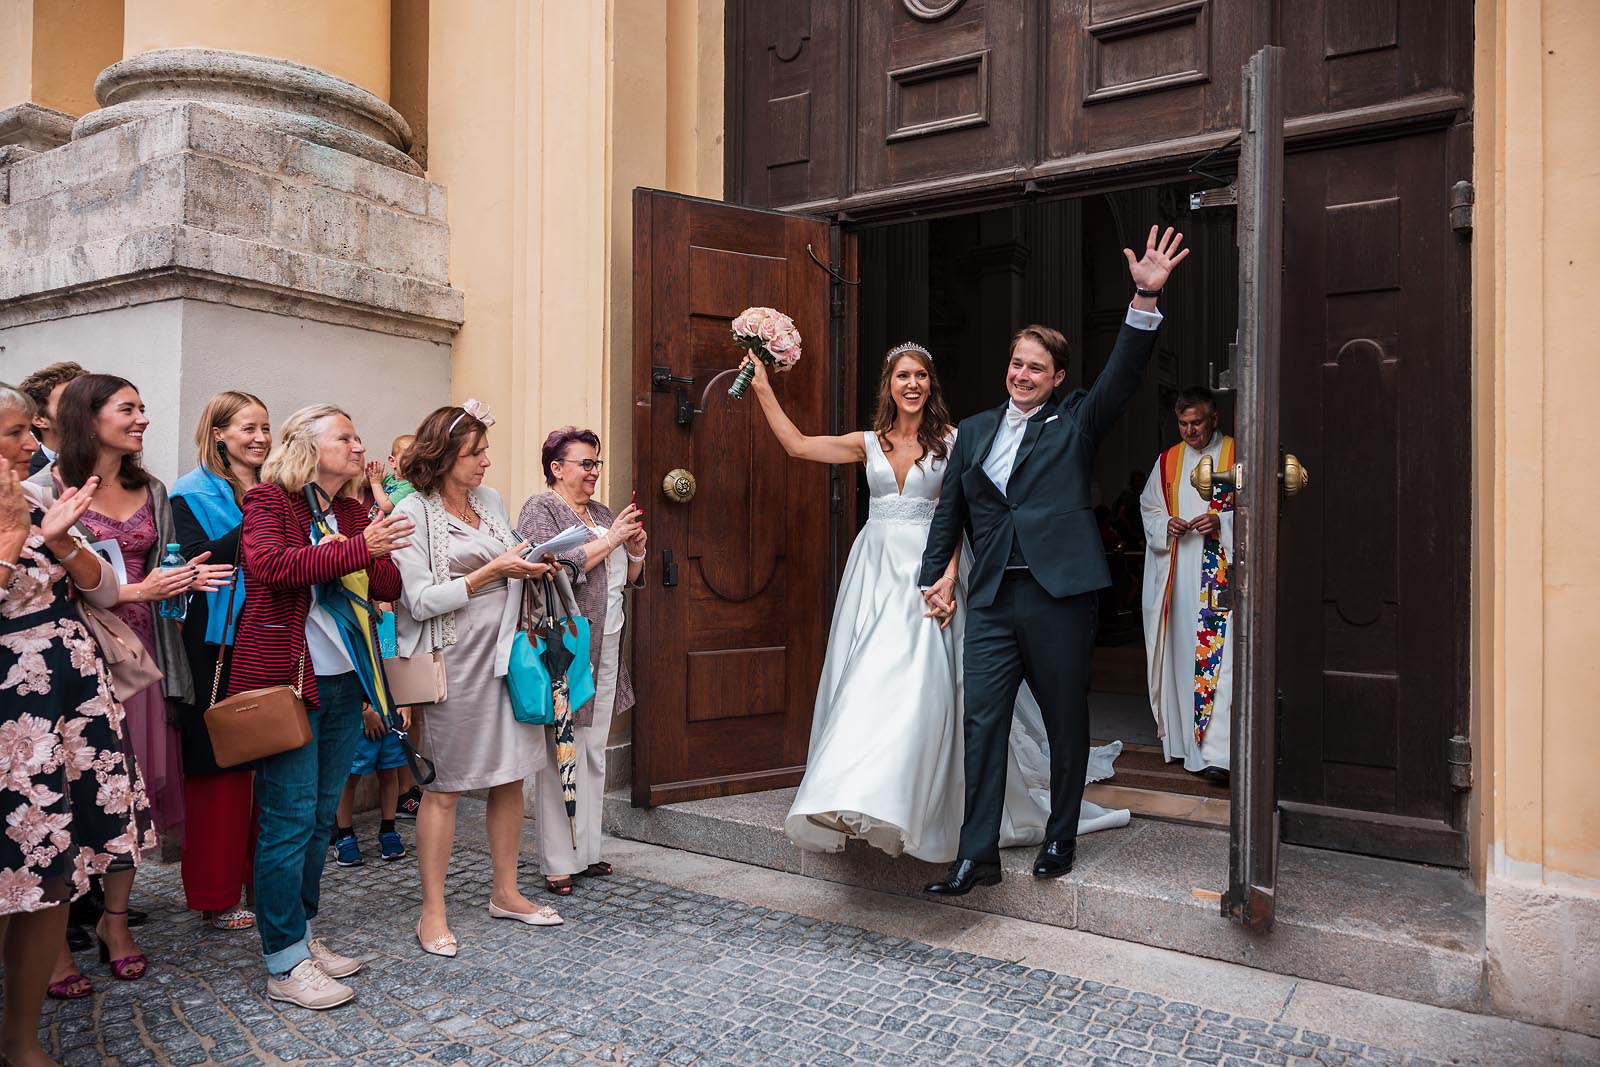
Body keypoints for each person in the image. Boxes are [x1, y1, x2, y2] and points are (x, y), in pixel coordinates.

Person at [745, 344, 1129, 864]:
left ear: (931, 385)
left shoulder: (956, 440)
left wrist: (947, 577)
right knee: (866, 678)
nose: (911, 384)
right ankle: (856, 796)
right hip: (874, 573)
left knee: (922, 684)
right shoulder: (867, 442)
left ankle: (917, 806)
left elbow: (960, 512)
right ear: (889, 383)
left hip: (932, 575)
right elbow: (796, 445)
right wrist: (763, 386)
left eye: (921, 375)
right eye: (902, 375)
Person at [919, 224, 1189, 896]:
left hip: (1058, 595)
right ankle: (975, 852)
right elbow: (949, 510)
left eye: (1036, 366)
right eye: (1016, 363)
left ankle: (1059, 834)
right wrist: (934, 578)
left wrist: (1143, 301)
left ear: (1058, 376)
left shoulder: (1075, 421)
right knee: (981, 722)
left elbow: (1123, 378)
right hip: (990, 601)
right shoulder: (974, 430)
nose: (1022, 374)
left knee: (1067, 719)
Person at [34, 374, 232, 984]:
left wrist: (182, 583)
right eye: (128, 409)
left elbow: (165, 569)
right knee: (70, 797)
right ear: (87, 419)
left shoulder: (151, 488)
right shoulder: (43, 490)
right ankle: (57, 938)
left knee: (128, 796)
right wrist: (139, 588)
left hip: (145, 657)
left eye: (143, 408)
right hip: (71, 664)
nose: (142, 418)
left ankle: (114, 919)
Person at [231, 404, 411, 1009]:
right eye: (347, 437)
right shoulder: (269, 502)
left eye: (360, 436)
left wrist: (379, 538)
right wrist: (360, 547)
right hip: (286, 683)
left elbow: (386, 589)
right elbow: (270, 567)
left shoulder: (354, 508)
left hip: (342, 684)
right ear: (307, 445)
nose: (360, 446)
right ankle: (282, 963)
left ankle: (302, 935)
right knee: (286, 819)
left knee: (315, 822)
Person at [0, 384, 157, 1065]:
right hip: (11, 714)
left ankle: (21, 1037)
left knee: (56, 871)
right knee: (14, 868)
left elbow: (102, 588)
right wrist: (9, 543)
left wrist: (62, 541)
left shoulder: (41, 497)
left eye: (28, 431)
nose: (28, 445)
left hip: (72, 703)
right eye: (11, 432)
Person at [392, 401, 560, 954]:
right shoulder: (412, 513)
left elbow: (508, 557)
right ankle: (432, 912)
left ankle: (506, 891)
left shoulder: (489, 501)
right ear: (442, 458)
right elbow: (417, 600)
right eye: (476, 452)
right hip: (452, 661)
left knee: (511, 774)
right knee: (444, 787)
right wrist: (494, 570)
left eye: (486, 450)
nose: (487, 461)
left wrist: (532, 564)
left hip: (506, 652)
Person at [517, 427, 644, 896]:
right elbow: (557, 567)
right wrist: (611, 540)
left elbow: (628, 577)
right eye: (585, 464)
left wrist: (635, 550)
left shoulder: (602, 513)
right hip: (565, 644)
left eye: (597, 464)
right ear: (557, 468)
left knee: (593, 748)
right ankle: (556, 859)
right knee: (561, 748)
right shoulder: (540, 507)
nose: (594, 473)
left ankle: (587, 851)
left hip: (607, 640)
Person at [170, 391, 273, 930]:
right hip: (215, 645)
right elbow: (203, 560)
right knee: (220, 770)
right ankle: (215, 894)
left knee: (270, 763)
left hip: (273, 638)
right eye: (247, 428)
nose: (259, 438)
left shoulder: (277, 489)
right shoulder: (188, 493)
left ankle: (262, 881)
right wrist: (261, 512)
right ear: (218, 434)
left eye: (265, 427)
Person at [1140, 387, 1234, 781]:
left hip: (1221, 572)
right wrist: (1167, 524)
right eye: (1183, 423)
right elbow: (1149, 508)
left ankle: (1219, 753)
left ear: (1214, 419)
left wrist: (1224, 521)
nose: (1190, 430)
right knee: (1182, 656)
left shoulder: (1238, 453)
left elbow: (1263, 506)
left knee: (1222, 664)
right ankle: (1183, 744)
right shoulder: (1168, 461)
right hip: (1178, 574)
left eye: (1197, 422)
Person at [330, 697, 411, 866]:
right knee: (350, 776)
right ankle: (345, 836)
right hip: (358, 716)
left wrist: (406, 702)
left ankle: (389, 831)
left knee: (389, 771)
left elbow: (403, 672)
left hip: (391, 713)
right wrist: (364, 710)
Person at [16, 361, 87, 476]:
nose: (86, 407)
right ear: (39, 419)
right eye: (70, 402)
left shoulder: (119, 462)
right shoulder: (25, 478)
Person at [366, 433, 417, 517]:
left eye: (419, 459)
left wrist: (375, 483)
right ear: (393, 462)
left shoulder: (410, 487)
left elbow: (386, 506)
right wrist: (371, 476)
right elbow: (371, 489)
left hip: (389, 528)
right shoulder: (389, 479)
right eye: (409, 458)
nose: (415, 463)